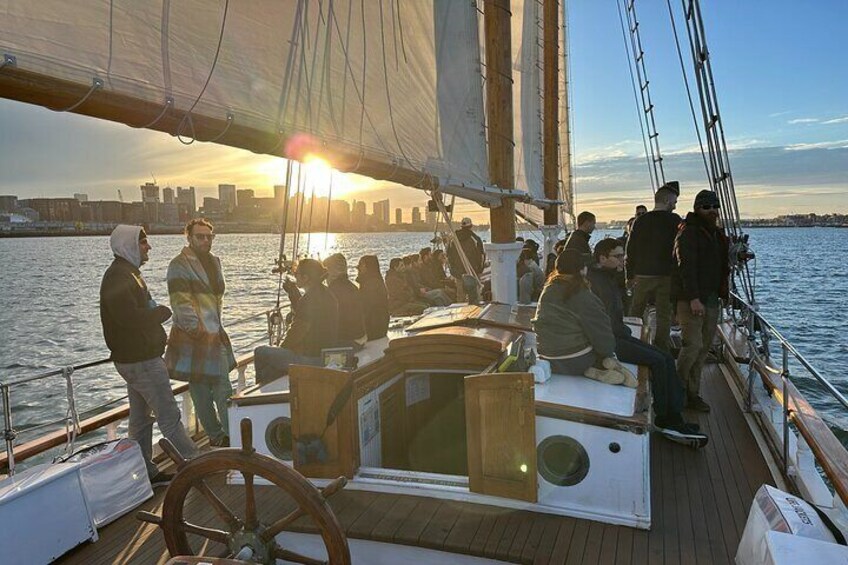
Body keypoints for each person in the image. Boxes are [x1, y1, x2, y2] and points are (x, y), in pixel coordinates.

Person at [99, 225, 197, 484]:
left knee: (141, 420)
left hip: (135, 359)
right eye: (143, 243)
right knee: (168, 415)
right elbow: (128, 317)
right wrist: (160, 314)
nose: (148, 247)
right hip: (140, 361)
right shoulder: (119, 277)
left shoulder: (127, 273)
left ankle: (144, 471)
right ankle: (195, 463)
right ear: (129, 245)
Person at [589, 239, 706, 442]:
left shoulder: (606, 278)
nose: (622, 261)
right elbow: (603, 320)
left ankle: (674, 416)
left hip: (617, 335)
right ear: (602, 258)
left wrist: (625, 330)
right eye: (617, 256)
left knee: (666, 357)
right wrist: (623, 331)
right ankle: (665, 419)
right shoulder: (596, 282)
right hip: (609, 342)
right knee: (659, 361)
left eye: (622, 256)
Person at [165, 219, 236, 447]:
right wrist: (197, 329)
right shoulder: (179, 264)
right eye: (200, 236)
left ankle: (229, 435)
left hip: (215, 332)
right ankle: (219, 436)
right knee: (201, 391)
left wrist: (213, 329)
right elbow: (180, 302)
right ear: (189, 238)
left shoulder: (215, 262)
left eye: (209, 236)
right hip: (194, 337)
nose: (206, 240)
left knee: (223, 387)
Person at [532, 249, 635, 385]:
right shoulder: (582, 295)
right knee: (602, 351)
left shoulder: (548, 290)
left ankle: (595, 369)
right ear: (582, 270)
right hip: (575, 359)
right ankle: (600, 366)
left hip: (548, 357)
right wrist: (608, 352)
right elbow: (601, 331)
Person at [673, 190, 730, 412]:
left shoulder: (716, 234)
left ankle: (692, 393)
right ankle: (676, 389)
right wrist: (694, 298)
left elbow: (720, 266)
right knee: (692, 346)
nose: (712, 211)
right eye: (707, 207)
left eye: (715, 206)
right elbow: (685, 267)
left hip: (712, 298)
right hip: (692, 300)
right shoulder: (688, 233)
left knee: (704, 348)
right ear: (697, 209)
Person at [254, 259, 339, 385]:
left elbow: (296, 333)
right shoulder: (328, 294)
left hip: (312, 360)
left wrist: (281, 349)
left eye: (297, 274)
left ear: (305, 278)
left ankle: (260, 394)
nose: (295, 276)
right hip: (327, 356)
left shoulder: (308, 299)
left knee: (261, 352)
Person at [626, 185, 681, 352]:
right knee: (663, 315)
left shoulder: (640, 221)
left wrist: (629, 275)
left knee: (636, 311)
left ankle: (632, 341)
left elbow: (631, 249)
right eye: (674, 201)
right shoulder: (675, 220)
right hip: (666, 275)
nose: (675, 205)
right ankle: (661, 349)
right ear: (666, 200)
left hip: (642, 275)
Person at [324, 253, 366, 348]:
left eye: (326, 270)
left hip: (346, 341)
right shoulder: (352, 287)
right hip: (359, 337)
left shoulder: (332, 291)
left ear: (332, 271)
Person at [447, 217, 485, 303]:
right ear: (471, 226)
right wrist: (480, 269)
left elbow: (449, 256)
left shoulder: (453, 240)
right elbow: (481, 256)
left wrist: (453, 271)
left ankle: (460, 314)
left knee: (460, 296)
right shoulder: (475, 239)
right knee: (475, 295)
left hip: (458, 273)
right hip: (473, 272)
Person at [356, 255, 389, 340]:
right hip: (380, 327)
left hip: (373, 329)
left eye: (360, 265)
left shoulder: (371, 285)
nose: (357, 268)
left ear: (367, 267)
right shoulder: (375, 281)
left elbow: (366, 309)